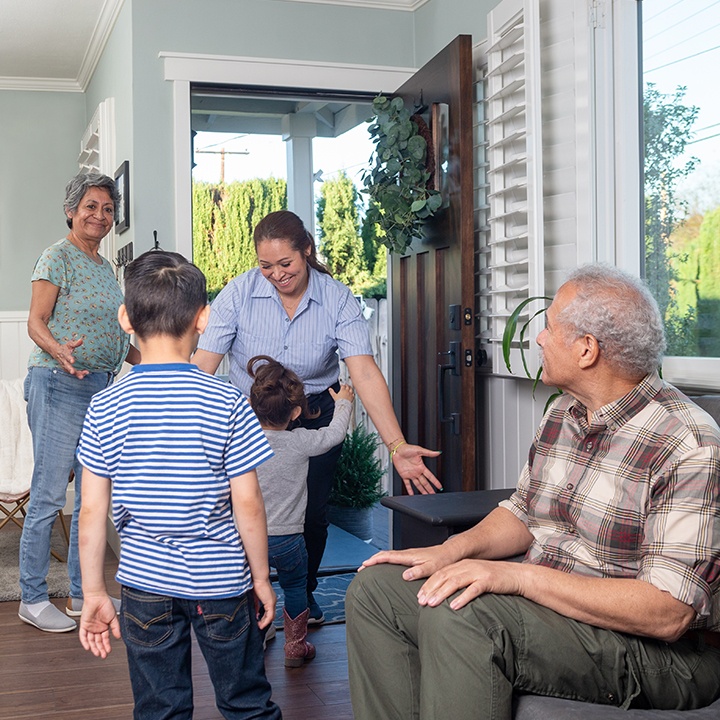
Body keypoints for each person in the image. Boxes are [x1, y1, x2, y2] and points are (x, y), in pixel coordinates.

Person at [346, 264, 720, 719]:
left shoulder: (688, 444)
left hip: (657, 654)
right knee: (375, 592)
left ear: (586, 349)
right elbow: (524, 512)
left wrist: (518, 577)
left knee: (463, 615)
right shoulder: (564, 412)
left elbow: (668, 612)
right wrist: (453, 551)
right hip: (556, 614)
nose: (539, 338)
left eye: (549, 326)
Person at [193, 210, 441, 624]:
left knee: (310, 513)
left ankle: (299, 602)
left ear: (306, 251)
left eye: (285, 264)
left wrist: (395, 445)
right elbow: (204, 363)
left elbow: (362, 370)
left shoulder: (337, 298)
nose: (276, 274)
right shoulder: (237, 295)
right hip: (248, 415)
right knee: (241, 506)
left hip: (313, 412)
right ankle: (248, 601)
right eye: (265, 266)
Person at [76, 251, 281, 720]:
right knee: (246, 702)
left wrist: (92, 593)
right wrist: (262, 577)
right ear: (203, 319)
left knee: (159, 709)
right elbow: (247, 503)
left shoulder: (106, 406)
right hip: (222, 582)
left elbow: (90, 513)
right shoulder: (226, 399)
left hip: (144, 584)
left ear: (125, 318)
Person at [19, 171, 140, 634]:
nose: (101, 215)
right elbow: (36, 321)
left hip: (101, 390)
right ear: (71, 210)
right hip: (57, 382)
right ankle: (31, 597)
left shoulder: (107, 268)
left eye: (108, 209)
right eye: (91, 206)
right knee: (50, 494)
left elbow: (116, 334)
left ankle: (79, 593)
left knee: (92, 495)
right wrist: (58, 350)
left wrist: (155, 360)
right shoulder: (57, 256)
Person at [247, 354, 355, 667]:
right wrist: (344, 402)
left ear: (254, 406)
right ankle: (295, 645)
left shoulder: (243, 441)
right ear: (296, 412)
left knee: (253, 584)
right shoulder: (301, 441)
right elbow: (334, 435)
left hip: (250, 540)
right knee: (295, 587)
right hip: (290, 540)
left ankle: (256, 634)